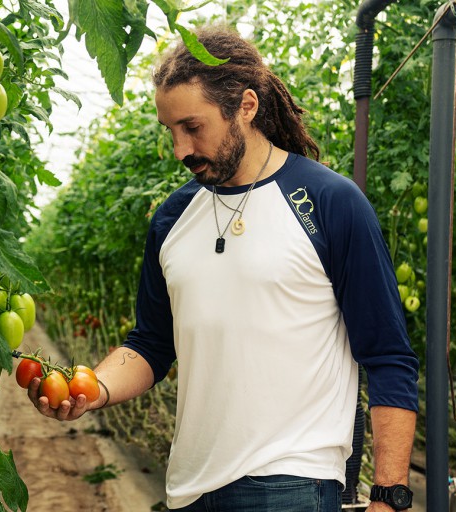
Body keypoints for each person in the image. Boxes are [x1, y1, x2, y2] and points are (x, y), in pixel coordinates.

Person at [27, 26, 419, 512]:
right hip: (190, 486)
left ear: (246, 107)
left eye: (193, 127)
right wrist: (95, 388)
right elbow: (150, 344)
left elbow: (387, 356)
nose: (180, 150)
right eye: (170, 131)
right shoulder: (172, 218)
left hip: (291, 484)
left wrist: (390, 495)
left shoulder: (327, 202)